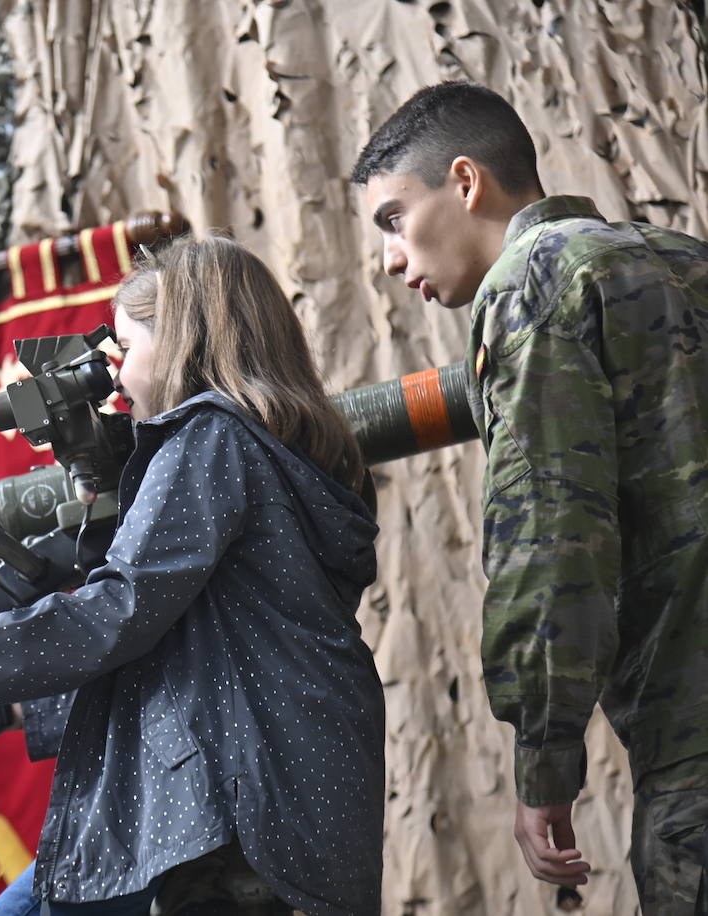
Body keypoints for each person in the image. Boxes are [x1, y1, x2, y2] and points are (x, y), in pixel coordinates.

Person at [0, 235, 387, 916]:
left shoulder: (208, 441)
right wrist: (31, 702)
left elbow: (122, 611)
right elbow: (206, 654)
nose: (114, 376)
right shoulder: (295, 456)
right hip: (295, 803)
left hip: (231, 824)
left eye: (126, 347)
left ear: (179, 342)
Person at [352, 80, 708, 913]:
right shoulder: (686, 258)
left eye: (394, 221)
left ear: (466, 183)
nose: (391, 261)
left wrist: (544, 760)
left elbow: (551, 536)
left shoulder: (528, 286)